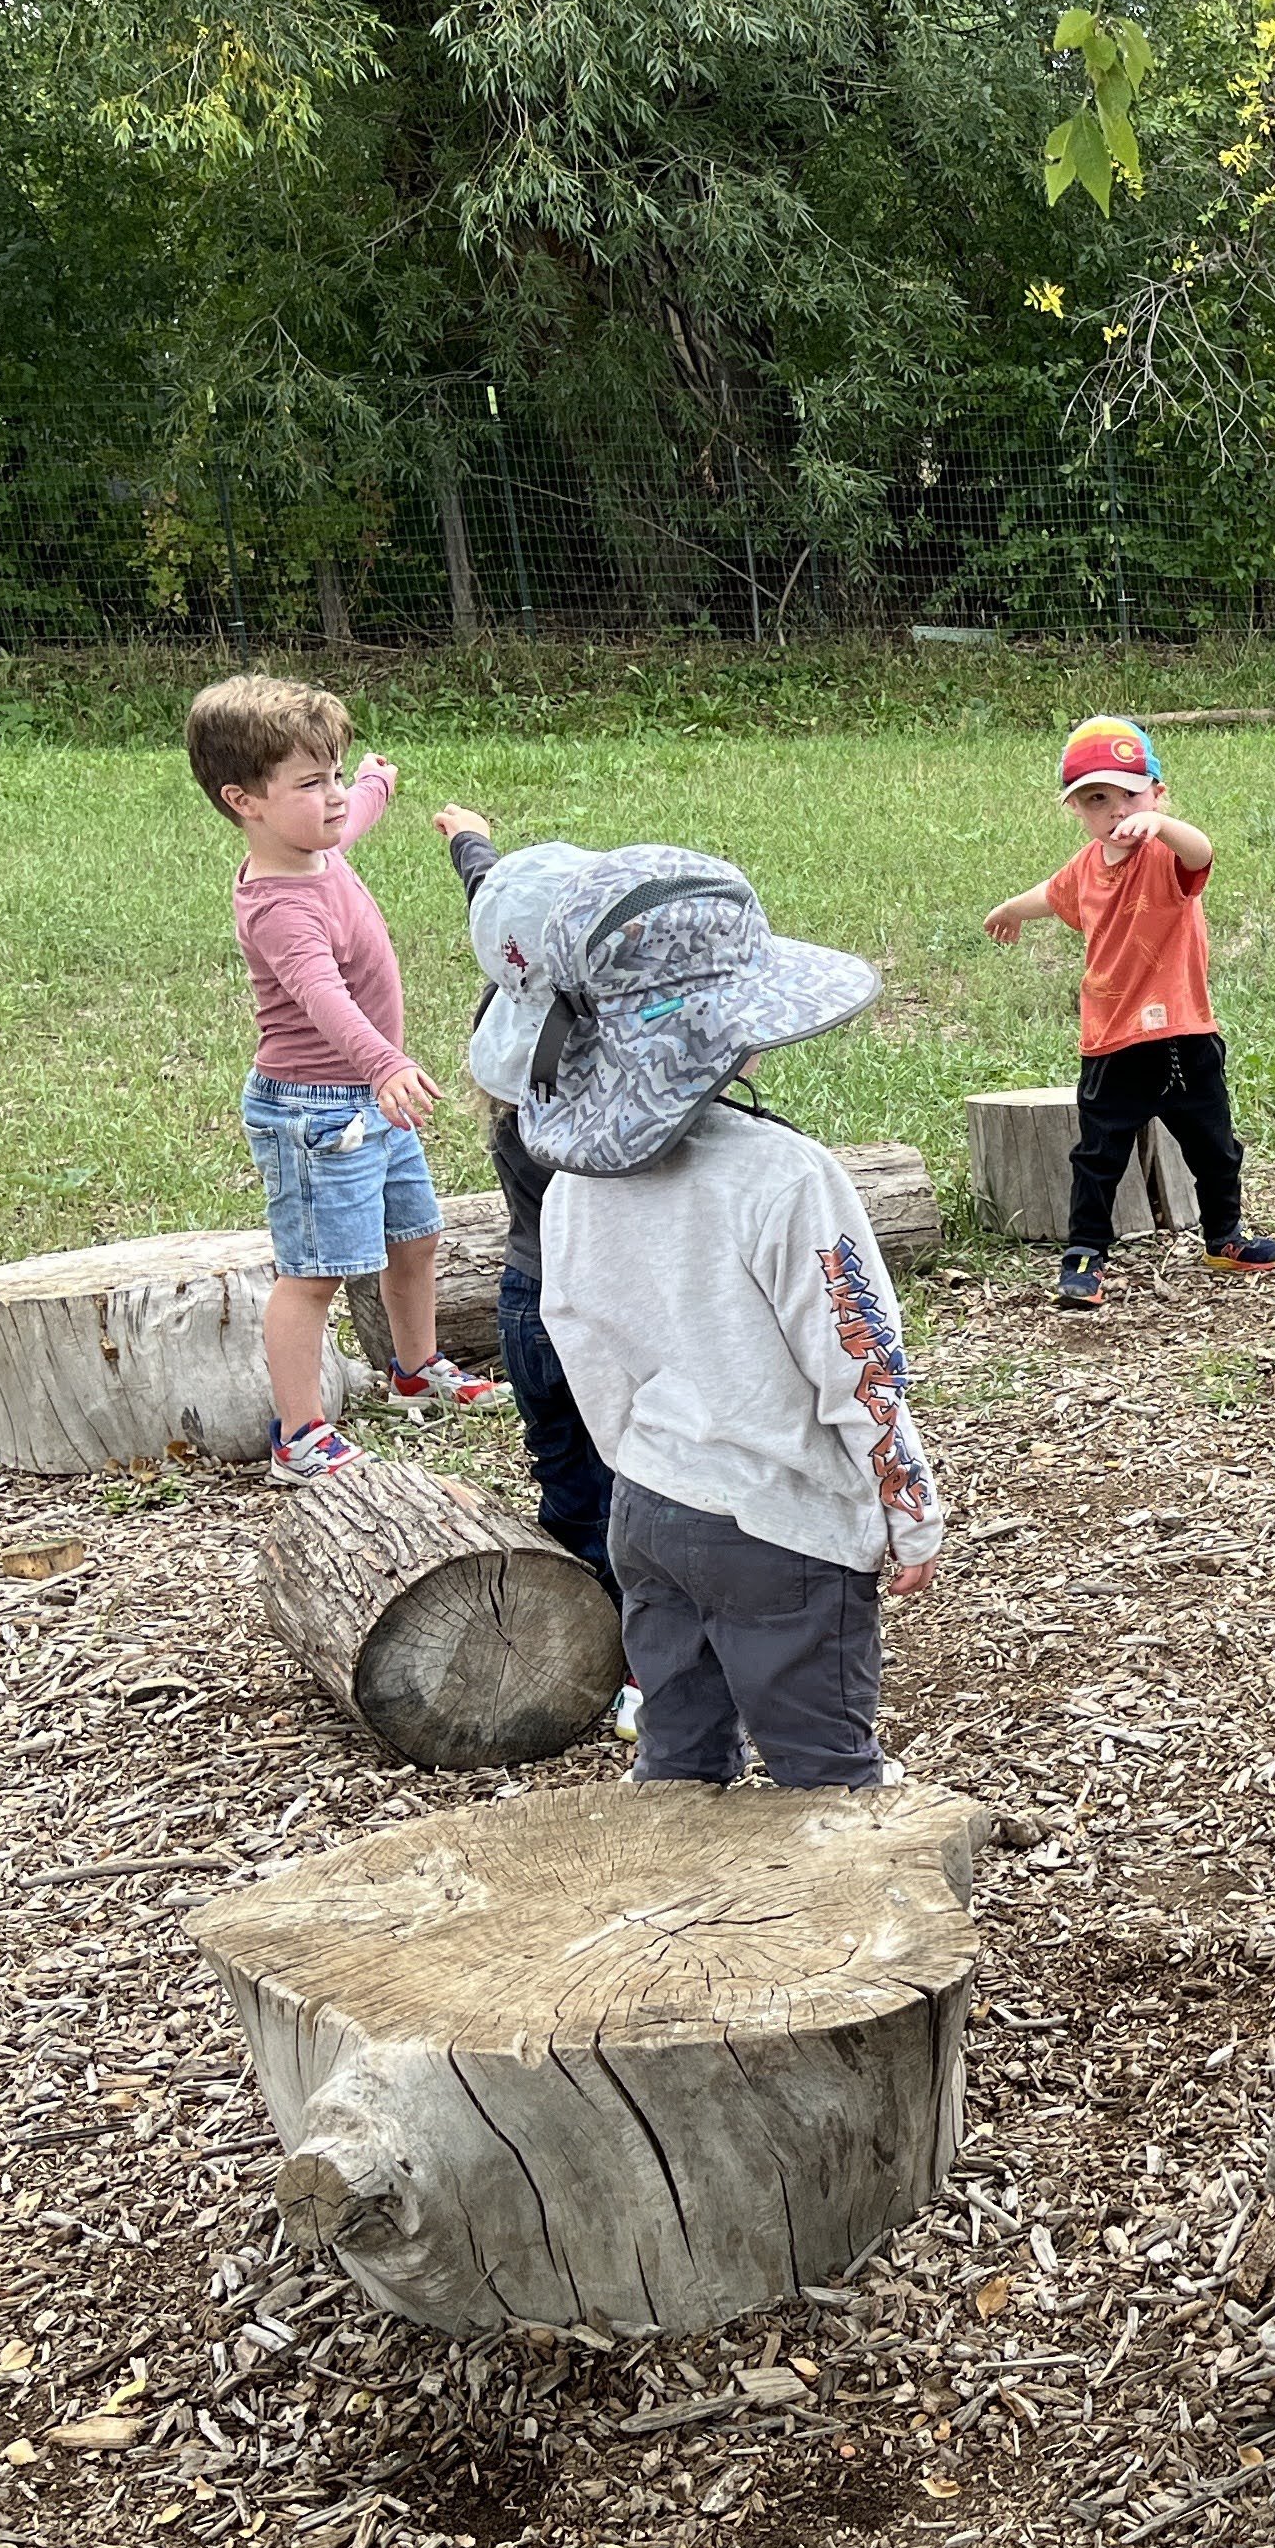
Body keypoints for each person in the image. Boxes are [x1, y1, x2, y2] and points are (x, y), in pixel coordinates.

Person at [500, 849, 945, 1791]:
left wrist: (643, 1459)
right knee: (825, 1768)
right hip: (783, 1529)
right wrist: (910, 1512)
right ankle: (837, 1934)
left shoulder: (580, 1178)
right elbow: (859, 1361)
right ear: (735, 1033)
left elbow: (578, 1331)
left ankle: (667, 1929)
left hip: (649, 1512)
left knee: (678, 1756)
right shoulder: (787, 1178)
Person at [190, 673, 503, 1486]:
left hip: (369, 1102)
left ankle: (414, 1368)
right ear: (243, 800)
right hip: (317, 1112)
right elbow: (323, 1000)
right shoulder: (279, 907)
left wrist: (372, 784)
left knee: (416, 1235)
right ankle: (299, 1435)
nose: (331, 798)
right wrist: (387, 1062)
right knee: (315, 1274)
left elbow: (349, 817)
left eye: (331, 775)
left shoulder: (315, 842)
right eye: (310, 782)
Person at [979, 716, 1275, 1307]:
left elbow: (1202, 852)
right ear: (1077, 809)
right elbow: (1052, 894)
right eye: (1098, 799)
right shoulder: (1085, 868)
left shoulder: (1167, 860)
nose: (1118, 812)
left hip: (1185, 1034)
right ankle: (1086, 1256)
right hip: (1113, 1041)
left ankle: (1224, 1237)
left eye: (1132, 795)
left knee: (1217, 1149)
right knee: (1098, 1157)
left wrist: (1164, 828)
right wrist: (1011, 909)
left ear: (1158, 794)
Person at [433, 806, 616, 1592]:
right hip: (612, 1309)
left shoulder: (510, 996)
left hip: (529, 1298)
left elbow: (492, 893)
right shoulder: (619, 1064)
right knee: (640, 1485)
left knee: (572, 1490)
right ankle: (653, 1655)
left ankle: (600, 1631)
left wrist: (467, 841)